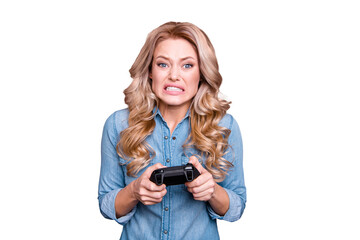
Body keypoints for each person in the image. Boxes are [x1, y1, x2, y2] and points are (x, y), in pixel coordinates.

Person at [98, 21, 246, 240]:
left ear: (202, 72)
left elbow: (237, 207)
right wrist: (134, 191)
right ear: (149, 70)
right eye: (163, 64)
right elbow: (106, 205)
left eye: (187, 65)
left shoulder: (224, 126)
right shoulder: (119, 125)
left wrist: (212, 191)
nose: (174, 76)